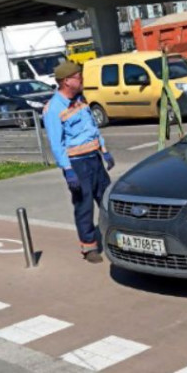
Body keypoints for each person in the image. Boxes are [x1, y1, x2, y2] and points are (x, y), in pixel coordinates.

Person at [42, 61, 115, 263]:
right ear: (66, 81)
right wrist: (68, 170)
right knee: (84, 207)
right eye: (78, 77)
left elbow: (92, 127)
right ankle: (89, 247)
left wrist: (104, 150)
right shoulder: (53, 109)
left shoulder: (81, 99)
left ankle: (115, 239)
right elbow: (57, 144)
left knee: (107, 201)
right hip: (77, 164)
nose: (82, 80)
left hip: (94, 159)